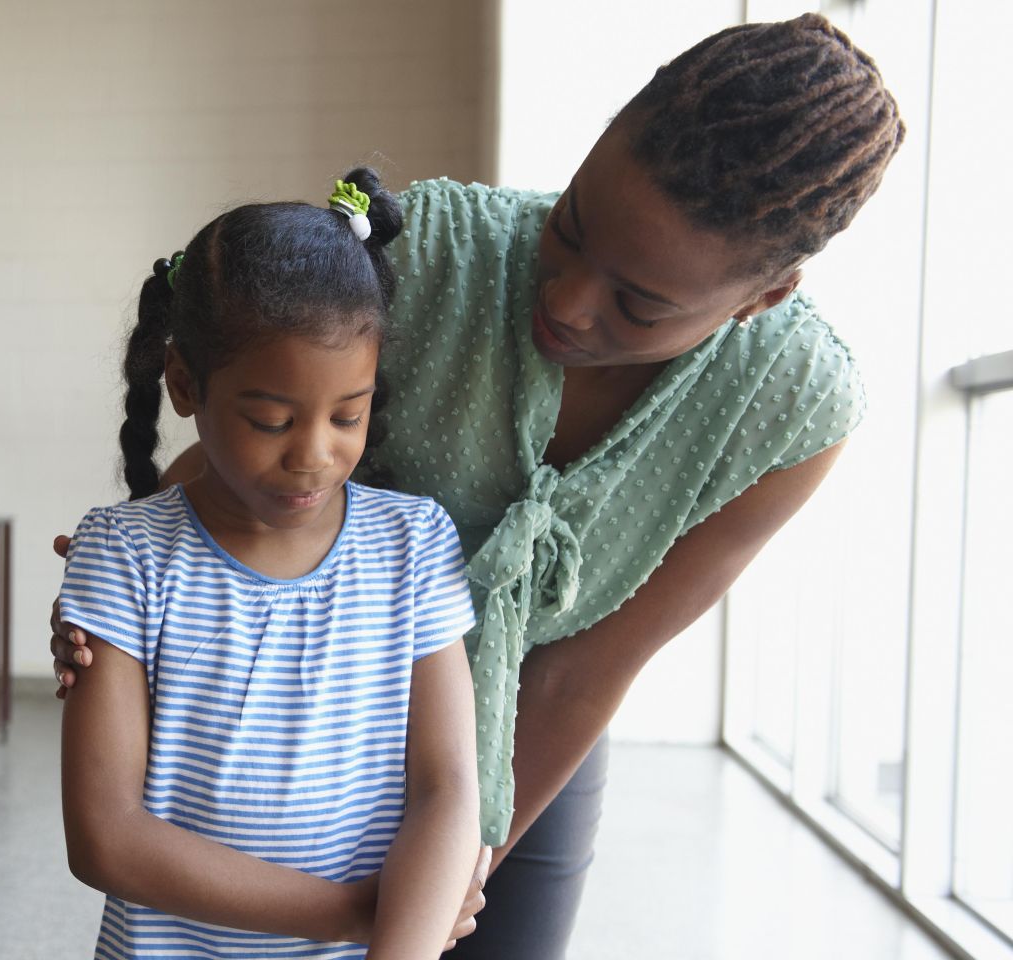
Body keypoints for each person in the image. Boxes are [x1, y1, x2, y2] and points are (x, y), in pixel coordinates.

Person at [52, 13, 905, 958]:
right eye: (570, 228)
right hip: (283, 716)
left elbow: (584, 671)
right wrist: (131, 590)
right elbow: (257, 431)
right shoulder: (433, 248)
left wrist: (442, 887)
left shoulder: (792, 409)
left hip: (515, 741)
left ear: (762, 297)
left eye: (639, 304)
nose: (570, 304)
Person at [59, 169, 484, 960]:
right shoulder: (126, 555)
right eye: (271, 419)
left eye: (348, 414)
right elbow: (105, 837)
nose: (314, 456)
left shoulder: (412, 544)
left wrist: (397, 943)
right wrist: (357, 913)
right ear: (186, 385)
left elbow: (448, 788)